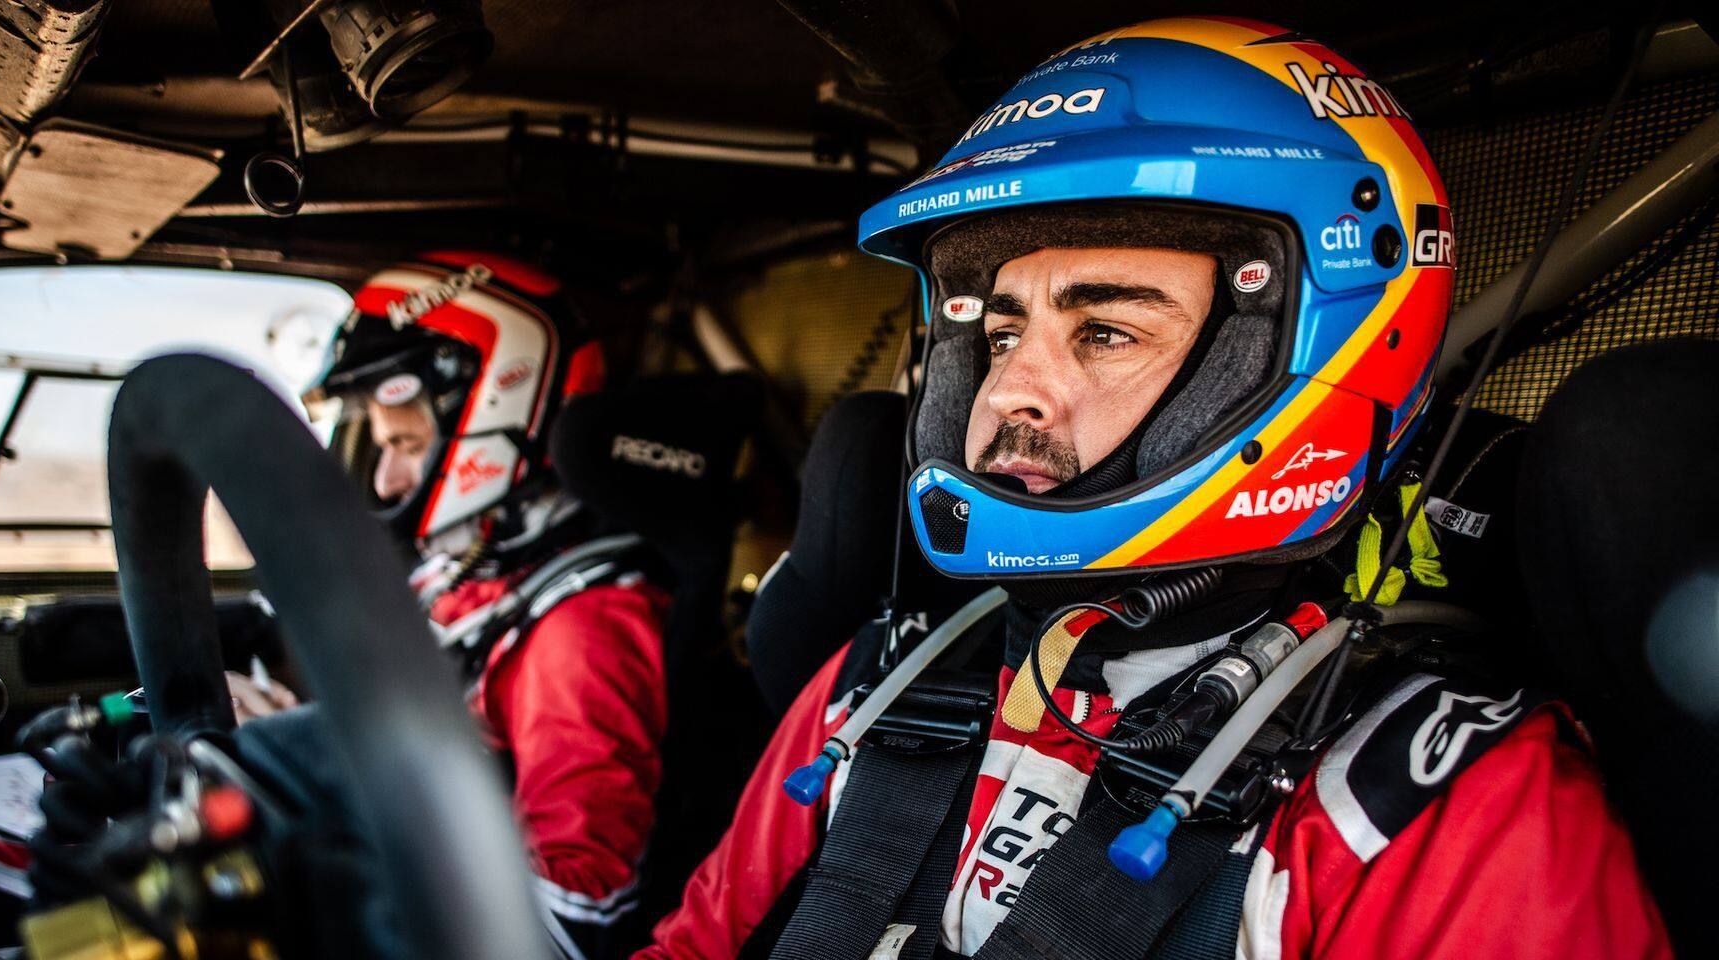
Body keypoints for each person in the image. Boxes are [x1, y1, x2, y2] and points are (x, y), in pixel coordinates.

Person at [636, 17, 1669, 960]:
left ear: (1292, 353)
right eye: (1000, 333)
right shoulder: (884, 682)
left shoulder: (1434, 805)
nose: (1008, 392)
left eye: (1105, 331)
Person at [311, 252, 663, 959]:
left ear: (496, 412)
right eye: (383, 447)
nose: (385, 481)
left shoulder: (578, 631)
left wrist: (332, 879)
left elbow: (574, 915)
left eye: (406, 444)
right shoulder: (462, 574)